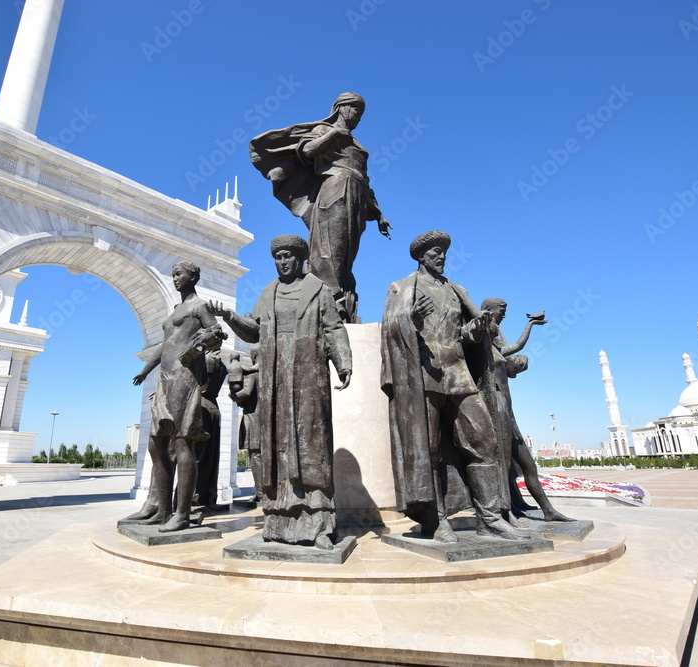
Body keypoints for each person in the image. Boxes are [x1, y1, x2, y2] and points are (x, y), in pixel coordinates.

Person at [381, 230, 527, 542]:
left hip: (458, 374)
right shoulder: (402, 288)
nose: (442, 257)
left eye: (444, 252)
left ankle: (490, 517)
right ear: (422, 256)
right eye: (435, 252)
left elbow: (463, 335)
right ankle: (436, 520)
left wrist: (474, 330)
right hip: (423, 377)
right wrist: (409, 318)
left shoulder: (456, 291)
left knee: (484, 441)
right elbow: (390, 332)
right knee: (429, 450)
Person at [209, 235, 352, 550]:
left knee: (311, 445)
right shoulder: (268, 293)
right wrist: (230, 317)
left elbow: (334, 328)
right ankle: (279, 521)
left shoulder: (318, 291)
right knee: (279, 445)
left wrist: (343, 362)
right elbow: (252, 330)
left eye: (288, 256)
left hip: (308, 376)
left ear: (300, 259)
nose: (282, 262)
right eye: (278, 257)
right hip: (275, 379)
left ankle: (319, 525)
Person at [250, 93, 392, 322]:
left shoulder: (358, 146)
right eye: (356, 111)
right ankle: (329, 300)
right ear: (342, 108)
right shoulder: (324, 131)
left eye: (361, 113)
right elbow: (306, 151)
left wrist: (378, 213)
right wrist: (335, 133)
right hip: (334, 190)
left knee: (347, 254)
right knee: (328, 248)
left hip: (356, 196)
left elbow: (365, 182)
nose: (359, 118)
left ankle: (344, 297)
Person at [126, 261, 226, 532]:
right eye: (172, 274)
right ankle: (161, 510)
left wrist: (201, 344)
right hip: (165, 379)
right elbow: (165, 345)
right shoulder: (176, 311)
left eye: (179, 274)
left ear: (193, 276)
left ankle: (182, 513)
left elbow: (216, 333)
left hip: (184, 378)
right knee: (155, 444)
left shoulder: (199, 306)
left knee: (182, 445)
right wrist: (146, 370)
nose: (174, 279)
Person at [480, 298, 573, 523]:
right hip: (495, 411)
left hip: (508, 414)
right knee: (501, 467)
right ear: (488, 314)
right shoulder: (481, 351)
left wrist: (530, 325)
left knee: (529, 465)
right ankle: (505, 512)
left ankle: (549, 511)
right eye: (501, 311)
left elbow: (517, 347)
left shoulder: (497, 349)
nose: (504, 316)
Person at [193, 349, 227, 508]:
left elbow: (197, 386)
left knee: (199, 456)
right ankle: (208, 498)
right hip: (214, 407)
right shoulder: (222, 365)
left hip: (202, 407)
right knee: (211, 456)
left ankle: (194, 499)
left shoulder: (204, 360)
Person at [228, 349, 262, 503]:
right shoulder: (269, 374)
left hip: (253, 418)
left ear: (254, 357)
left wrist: (232, 396)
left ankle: (261, 493)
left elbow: (246, 393)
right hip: (265, 418)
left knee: (255, 456)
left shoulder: (252, 374)